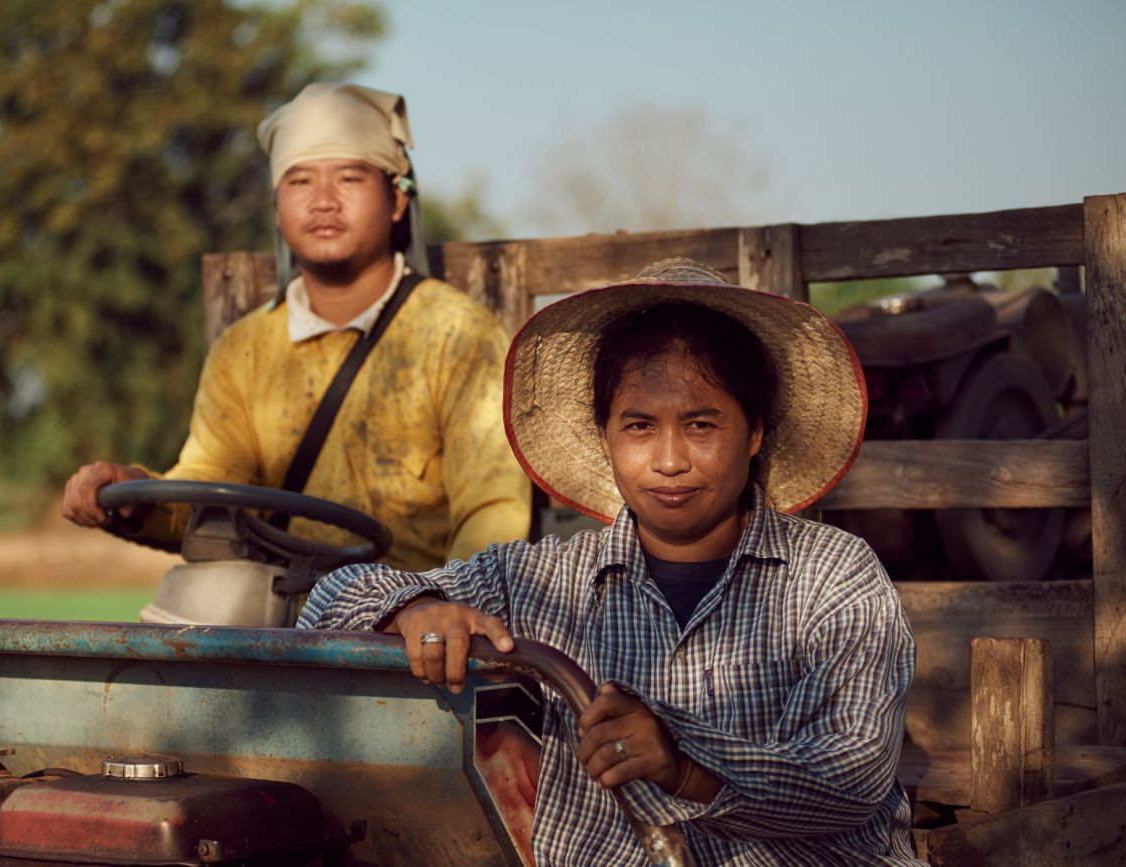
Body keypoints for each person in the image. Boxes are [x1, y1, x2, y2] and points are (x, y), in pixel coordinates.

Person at [298, 259, 923, 865]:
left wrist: (685, 762)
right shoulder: (540, 579)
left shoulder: (833, 576)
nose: (669, 460)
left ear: (755, 431)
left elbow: (854, 772)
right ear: (606, 436)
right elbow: (328, 601)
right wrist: (415, 609)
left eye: (702, 425)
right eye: (639, 426)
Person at [61, 83, 531, 571]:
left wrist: (444, 604)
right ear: (276, 208)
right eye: (300, 182)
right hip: (276, 620)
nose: (323, 201)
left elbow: (492, 510)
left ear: (396, 200)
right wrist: (136, 492)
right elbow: (210, 487)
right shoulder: (244, 349)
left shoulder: (458, 335)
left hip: (404, 626)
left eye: (349, 179)